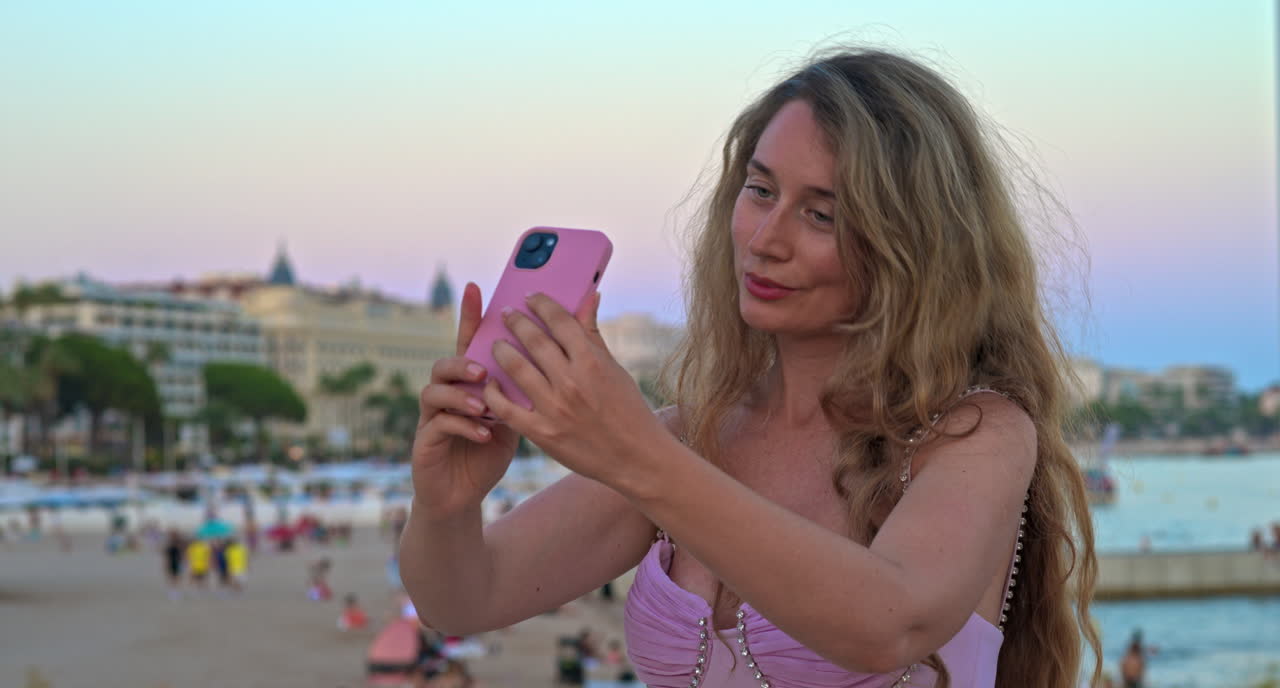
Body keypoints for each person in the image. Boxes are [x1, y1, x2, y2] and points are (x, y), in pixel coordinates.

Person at [399, 46, 1100, 688]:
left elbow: (893, 622)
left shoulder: (975, 436)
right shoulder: (690, 441)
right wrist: (447, 505)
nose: (765, 240)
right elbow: (463, 597)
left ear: (913, 247)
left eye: (821, 215)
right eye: (761, 191)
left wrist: (632, 450)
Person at [163, 529, 186, 599]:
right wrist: (165, 564)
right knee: (172, 578)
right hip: (172, 562)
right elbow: (166, 556)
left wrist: (184, 563)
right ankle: (172, 591)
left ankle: (176, 592)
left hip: (178, 563)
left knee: (177, 578)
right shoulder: (169, 545)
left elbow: (182, 555)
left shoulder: (180, 544)